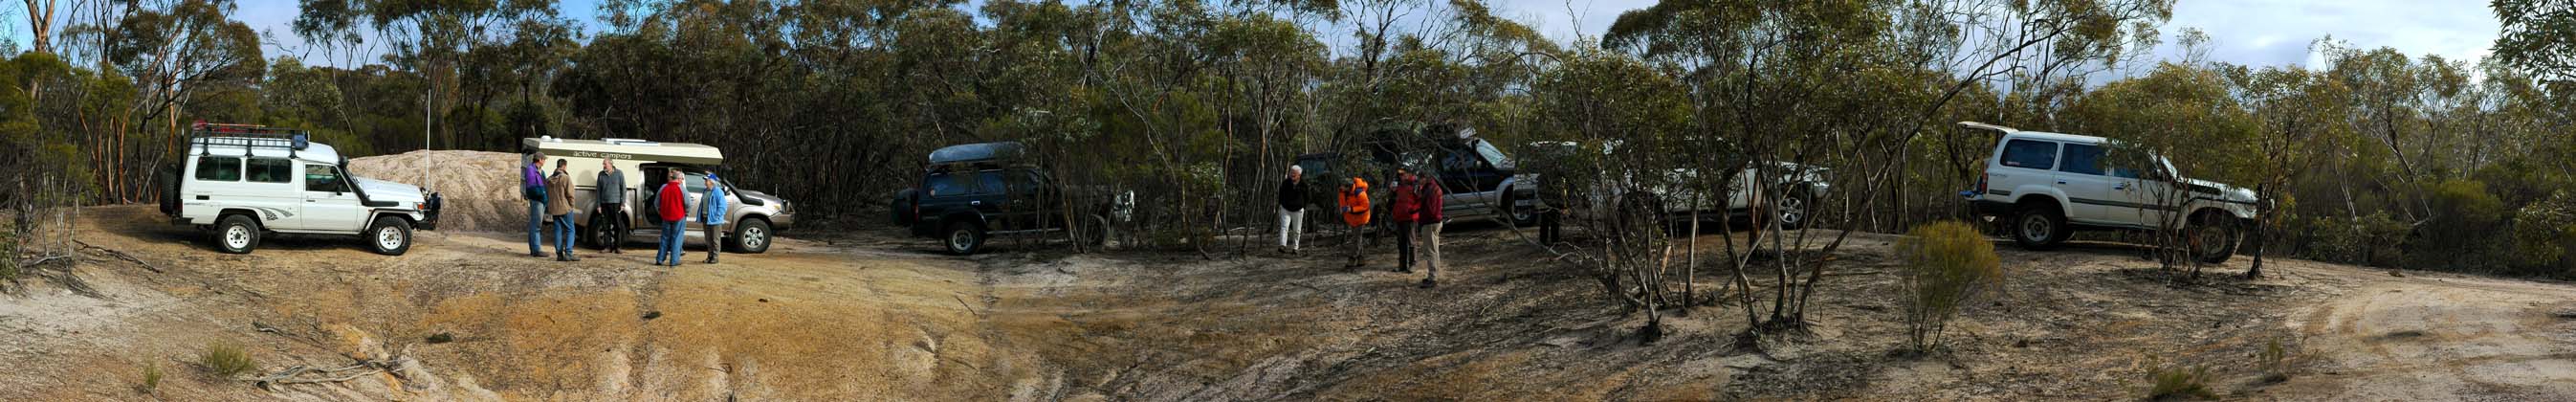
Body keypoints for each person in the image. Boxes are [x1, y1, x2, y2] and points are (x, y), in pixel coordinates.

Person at [1416, 170, 1447, 288]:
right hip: (1434, 222)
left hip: (1430, 223)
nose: (1419, 180)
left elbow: (1430, 209)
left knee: (1430, 251)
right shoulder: (1432, 188)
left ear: (1426, 178)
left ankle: (1433, 278)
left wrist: (1421, 217)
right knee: (1434, 250)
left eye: (1420, 178)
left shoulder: (1430, 190)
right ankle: (1434, 275)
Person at [1388, 167, 1420, 274]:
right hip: (1399, 217)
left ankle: (1413, 264)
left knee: (1411, 242)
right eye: (1400, 174)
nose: (1401, 176)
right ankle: (1402, 265)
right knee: (1401, 242)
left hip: (1410, 218)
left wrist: (1412, 211)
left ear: (1409, 173)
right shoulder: (1398, 186)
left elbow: (1420, 201)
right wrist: (1392, 191)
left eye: (1403, 174)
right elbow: (1392, 201)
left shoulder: (1415, 185)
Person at [653, 169, 689, 266]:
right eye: (681, 178)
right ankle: (674, 261)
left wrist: (661, 212)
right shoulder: (682, 189)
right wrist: (686, 213)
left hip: (666, 217)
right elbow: (687, 203)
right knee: (676, 238)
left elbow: (656, 203)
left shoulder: (663, 187)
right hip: (679, 216)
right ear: (677, 178)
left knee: (664, 238)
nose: (682, 180)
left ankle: (660, 259)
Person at [593, 160, 627, 254]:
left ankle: (618, 247)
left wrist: (623, 203)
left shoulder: (619, 173)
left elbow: (623, 189)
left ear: (611, 164)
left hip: (616, 204)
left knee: (618, 226)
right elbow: (598, 191)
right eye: (603, 164)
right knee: (605, 226)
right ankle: (607, 247)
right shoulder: (601, 174)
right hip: (604, 204)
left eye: (605, 164)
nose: (603, 165)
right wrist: (599, 205)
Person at [1338, 176, 1372, 269]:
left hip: (1361, 218)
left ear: (1348, 187)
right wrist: (1342, 209)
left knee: (1356, 239)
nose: (1340, 188)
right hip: (1352, 218)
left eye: (1343, 186)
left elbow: (1365, 206)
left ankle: (1352, 258)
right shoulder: (1343, 191)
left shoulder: (1360, 193)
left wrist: (1351, 209)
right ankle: (1361, 259)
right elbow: (1342, 202)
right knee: (1356, 238)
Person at [1276, 166, 1306, 255]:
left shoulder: (1304, 184)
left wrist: (1303, 206)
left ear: (1299, 175)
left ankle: (1295, 248)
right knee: (1284, 227)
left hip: (1298, 210)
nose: (1292, 174)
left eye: (1294, 173)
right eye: (1291, 172)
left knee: (1297, 230)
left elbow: (1308, 196)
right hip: (1286, 209)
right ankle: (1282, 246)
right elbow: (1280, 194)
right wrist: (1281, 204)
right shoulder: (1285, 183)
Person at [522, 152, 548, 257]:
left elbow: (545, 185)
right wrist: (542, 194)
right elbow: (531, 188)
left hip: (541, 201)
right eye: (544, 159)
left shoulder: (541, 171)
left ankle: (534, 249)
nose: (545, 161)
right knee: (536, 225)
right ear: (540, 160)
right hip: (537, 201)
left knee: (536, 225)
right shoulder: (531, 170)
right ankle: (536, 250)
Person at [701, 173, 730, 264]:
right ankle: (709, 256)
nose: (705, 182)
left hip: (715, 220)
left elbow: (723, 206)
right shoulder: (705, 191)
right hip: (706, 218)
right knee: (708, 239)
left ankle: (715, 257)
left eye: (706, 180)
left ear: (711, 182)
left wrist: (716, 216)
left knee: (715, 239)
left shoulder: (718, 192)